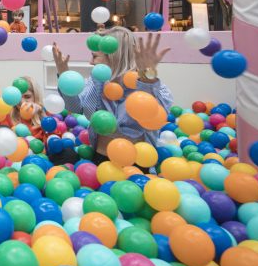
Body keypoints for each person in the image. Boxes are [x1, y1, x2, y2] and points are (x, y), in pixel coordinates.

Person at [52, 27, 174, 164]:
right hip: (101, 161)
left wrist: (147, 79)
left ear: (114, 56)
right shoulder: (98, 82)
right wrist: (64, 75)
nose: (90, 62)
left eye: (94, 56)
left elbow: (155, 115)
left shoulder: (150, 86)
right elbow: (76, 107)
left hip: (136, 165)